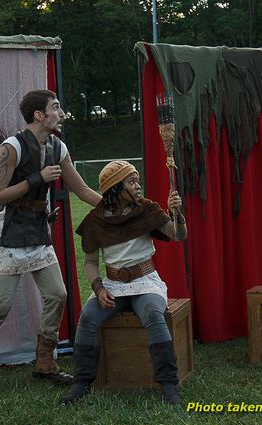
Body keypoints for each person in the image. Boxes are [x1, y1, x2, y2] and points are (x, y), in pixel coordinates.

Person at [0, 89, 101, 389]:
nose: (61, 114)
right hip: (8, 231)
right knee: (1, 304)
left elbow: (83, 190)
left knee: (57, 295)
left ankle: (45, 362)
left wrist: (118, 205)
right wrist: (37, 179)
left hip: (37, 232)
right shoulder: (11, 148)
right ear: (39, 115)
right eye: (56, 107)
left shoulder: (58, 147)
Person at [61, 160, 187, 404]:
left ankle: (170, 386)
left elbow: (179, 236)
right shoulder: (96, 220)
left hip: (145, 282)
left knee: (152, 314)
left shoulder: (146, 209)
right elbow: (89, 262)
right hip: (112, 285)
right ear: (115, 188)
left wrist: (177, 214)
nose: (138, 186)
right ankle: (80, 384)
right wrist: (98, 289)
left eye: (137, 180)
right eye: (131, 182)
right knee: (87, 318)